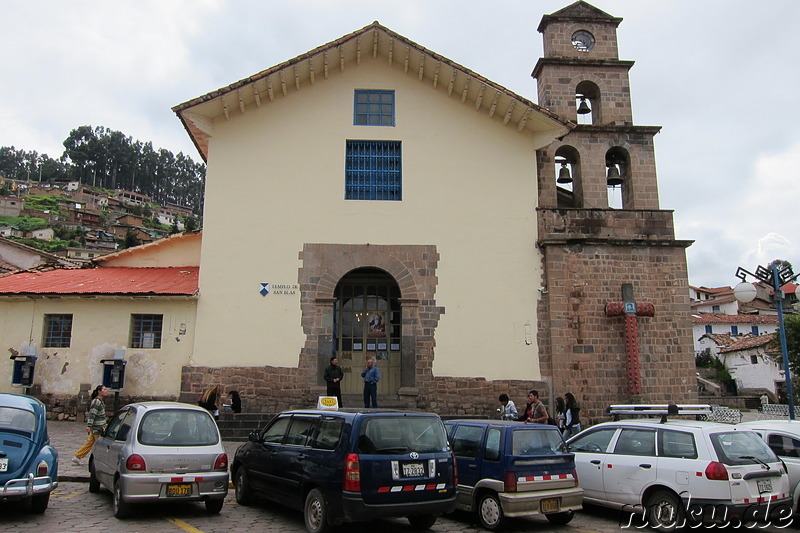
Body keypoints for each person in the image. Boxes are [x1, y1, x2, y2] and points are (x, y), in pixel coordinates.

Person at [72, 385, 108, 465]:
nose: (106, 391)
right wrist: (89, 425)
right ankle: (100, 460)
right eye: (104, 389)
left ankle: (77, 456)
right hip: (97, 427)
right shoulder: (96, 401)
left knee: (90, 442)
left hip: (100, 426)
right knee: (100, 444)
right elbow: (92, 414)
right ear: (99, 391)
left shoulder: (100, 401)